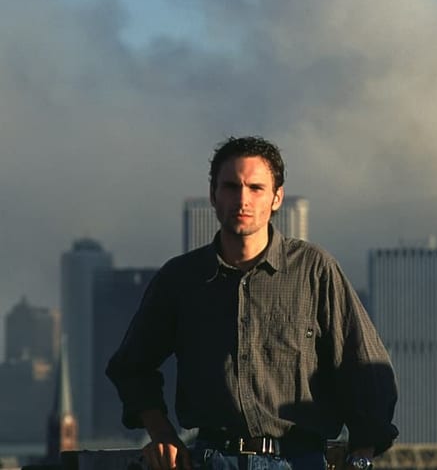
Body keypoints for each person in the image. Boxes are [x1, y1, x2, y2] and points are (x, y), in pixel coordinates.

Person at [107, 136, 398, 470]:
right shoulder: (182, 279)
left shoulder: (313, 269)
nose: (242, 199)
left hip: (298, 459)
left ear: (277, 198)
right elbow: (130, 366)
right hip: (213, 459)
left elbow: (365, 366)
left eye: (255, 188)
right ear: (213, 195)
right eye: (231, 187)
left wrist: (362, 451)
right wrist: (161, 434)